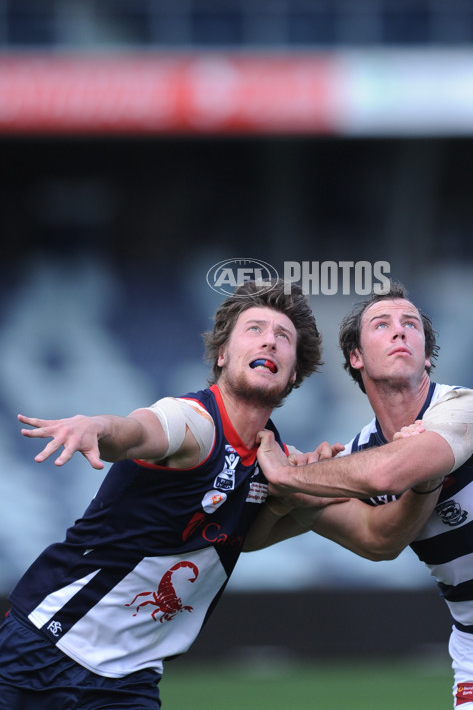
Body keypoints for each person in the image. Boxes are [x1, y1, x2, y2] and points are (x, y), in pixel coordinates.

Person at [0, 279, 440, 710]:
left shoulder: (278, 465)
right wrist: (97, 427)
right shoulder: (195, 422)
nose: (269, 342)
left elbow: (376, 539)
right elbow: (138, 432)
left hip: (128, 681)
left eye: (283, 337)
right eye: (255, 330)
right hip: (42, 649)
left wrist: (426, 475)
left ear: (293, 374)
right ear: (223, 355)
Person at [257, 281, 473, 710]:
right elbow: (378, 542)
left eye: (411, 324)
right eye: (382, 325)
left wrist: (286, 476)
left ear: (428, 355)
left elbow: (387, 473)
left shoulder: (470, 409)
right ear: (356, 357)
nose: (400, 331)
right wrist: (288, 489)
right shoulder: (358, 455)